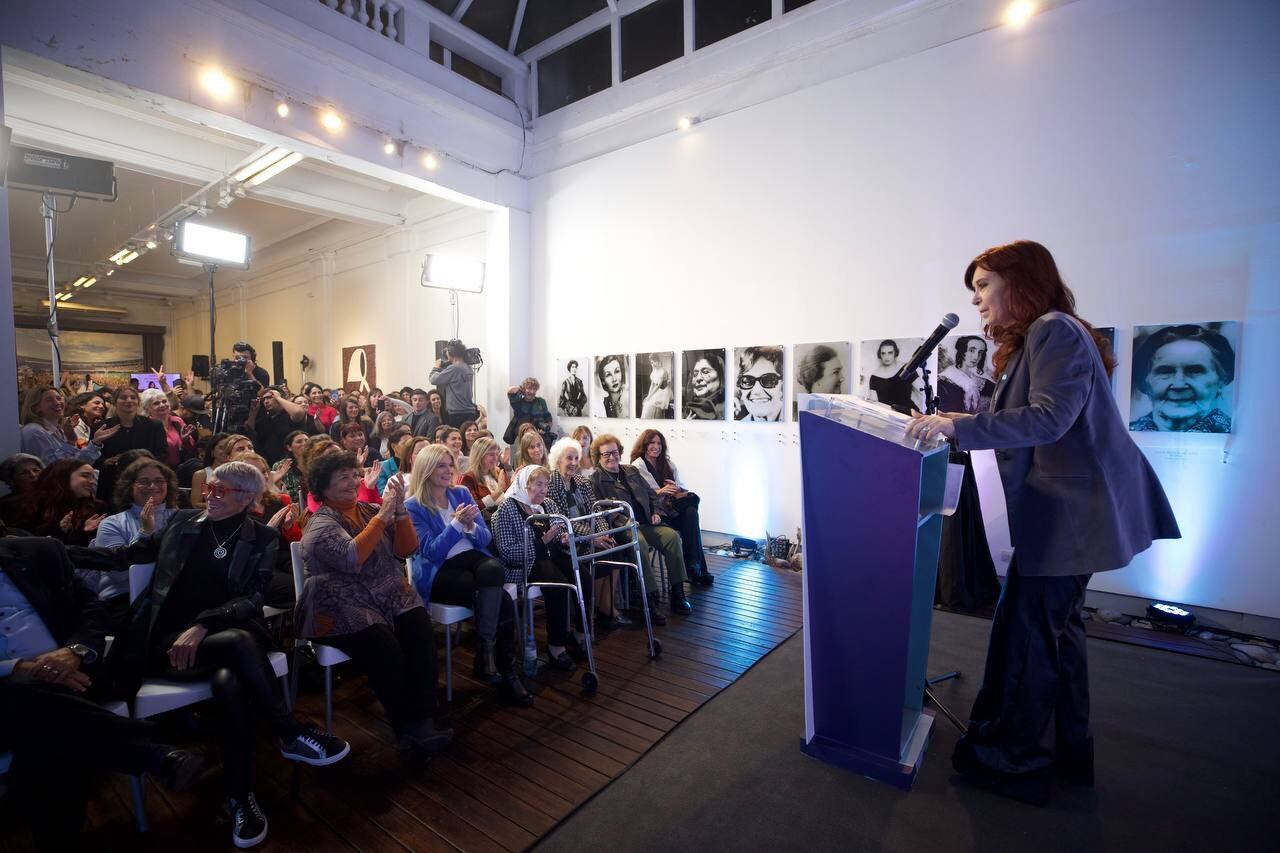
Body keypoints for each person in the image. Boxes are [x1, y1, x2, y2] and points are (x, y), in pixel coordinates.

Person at [906, 240, 1180, 806]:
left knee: (1029, 640)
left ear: (1020, 281)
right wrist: (966, 424)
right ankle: (1064, 755)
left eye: (984, 286)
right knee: (1057, 638)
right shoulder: (1051, 334)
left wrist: (957, 426)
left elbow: (1051, 419)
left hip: (1069, 519)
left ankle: (1015, 764)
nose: (977, 301)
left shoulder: (1053, 329)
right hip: (1070, 518)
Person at [88, 460, 350, 847]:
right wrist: (49, 552)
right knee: (239, 644)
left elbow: (255, 597)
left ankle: (240, 796)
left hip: (216, 642)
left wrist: (204, 624)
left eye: (220, 491)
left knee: (230, 678)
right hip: (166, 646)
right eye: (209, 487)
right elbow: (123, 556)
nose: (209, 495)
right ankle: (289, 732)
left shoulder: (261, 538)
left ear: (245, 498)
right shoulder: (181, 525)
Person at [0, 533, 204, 850]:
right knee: (25, 703)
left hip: (75, 674)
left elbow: (92, 609)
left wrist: (75, 652)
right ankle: (150, 753)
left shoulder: (37, 552)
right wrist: (19, 669)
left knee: (41, 733)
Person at [297, 450, 454, 761]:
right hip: (336, 606)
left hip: (382, 596)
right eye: (342, 477)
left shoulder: (369, 511)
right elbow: (352, 558)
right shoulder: (320, 525)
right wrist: (384, 515)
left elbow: (407, 548)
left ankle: (424, 719)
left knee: (419, 627)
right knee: (384, 646)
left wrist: (399, 513)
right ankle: (407, 729)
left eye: (354, 475)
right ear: (322, 487)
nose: (353, 481)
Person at [405, 445, 531, 706]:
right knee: (503, 600)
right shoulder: (414, 506)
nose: (448, 470)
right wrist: (455, 524)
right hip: (440, 573)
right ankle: (500, 669)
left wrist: (472, 525)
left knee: (494, 571)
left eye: (450, 464)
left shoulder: (460, 493)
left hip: (474, 565)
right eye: (441, 465)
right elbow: (431, 552)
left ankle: (492, 659)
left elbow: (485, 538)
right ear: (425, 469)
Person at [589, 434, 691, 623]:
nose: (612, 457)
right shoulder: (595, 480)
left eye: (615, 452)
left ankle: (678, 592)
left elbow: (652, 495)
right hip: (624, 529)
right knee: (640, 544)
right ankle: (649, 599)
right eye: (606, 454)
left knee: (672, 537)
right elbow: (601, 510)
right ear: (598, 457)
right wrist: (623, 522)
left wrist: (657, 512)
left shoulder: (630, 471)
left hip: (646, 523)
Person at [493, 466, 583, 672]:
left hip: (551, 556)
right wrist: (544, 540)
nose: (544, 490)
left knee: (582, 576)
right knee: (559, 586)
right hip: (527, 563)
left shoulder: (548, 504)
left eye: (547, 484)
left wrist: (562, 538)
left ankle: (579, 633)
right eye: (538, 484)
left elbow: (558, 536)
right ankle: (556, 646)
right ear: (525, 485)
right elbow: (508, 553)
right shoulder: (507, 509)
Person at [546, 437, 628, 629]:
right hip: (569, 540)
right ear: (558, 460)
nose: (574, 463)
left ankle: (604, 607)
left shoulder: (582, 482)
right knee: (603, 555)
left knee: (614, 548)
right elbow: (562, 520)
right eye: (569, 458)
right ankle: (598, 610)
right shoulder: (550, 484)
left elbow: (595, 512)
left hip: (590, 536)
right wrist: (593, 538)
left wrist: (603, 533)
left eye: (576, 458)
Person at [88, 457, 179, 628]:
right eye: (144, 481)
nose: (153, 486)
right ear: (130, 487)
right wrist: (145, 533)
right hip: (125, 598)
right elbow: (118, 574)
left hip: (172, 596)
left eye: (159, 481)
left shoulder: (181, 519)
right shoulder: (112, 523)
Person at [629, 429, 713, 586]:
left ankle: (694, 568)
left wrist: (676, 489)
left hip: (670, 509)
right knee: (692, 508)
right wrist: (661, 491)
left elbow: (683, 489)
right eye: (652, 443)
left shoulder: (668, 464)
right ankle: (696, 568)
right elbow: (639, 495)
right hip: (654, 512)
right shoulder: (637, 466)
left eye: (659, 443)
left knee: (690, 512)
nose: (656, 446)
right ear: (644, 445)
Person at [1129, 324, 1235, 432]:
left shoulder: (1241, 435)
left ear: (1223, 379)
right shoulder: (1124, 435)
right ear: (1143, 382)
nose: (1179, 385)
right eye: (1165, 371)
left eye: (1195, 371)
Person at [20, 459, 108, 547]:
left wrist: (83, 532)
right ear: (63, 477)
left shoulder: (97, 507)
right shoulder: (32, 505)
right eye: (85, 476)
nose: (92, 482)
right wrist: (59, 531)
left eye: (93, 477)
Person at [19, 385, 114, 465]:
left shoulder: (58, 429)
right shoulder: (34, 431)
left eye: (59, 398)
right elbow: (54, 467)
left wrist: (95, 442)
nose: (57, 403)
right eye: (49, 400)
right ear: (36, 407)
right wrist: (71, 440)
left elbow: (78, 461)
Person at [248, 386, 314, 465]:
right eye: (264, 399)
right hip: (271, 464)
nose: (266, 401)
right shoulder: (264, 420)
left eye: (270, 397)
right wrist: (253, 411)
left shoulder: (289, 415)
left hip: (293, 463)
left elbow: (298, 412)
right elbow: (250, 428)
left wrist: (278, 397)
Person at [937, 335, 997, 415]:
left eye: (980, 353)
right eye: (972, 350)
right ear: (962, 351)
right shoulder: (943, 382)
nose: (976, 357)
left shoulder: (983, 383)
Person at [192, 434, 253, 509]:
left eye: (228, 448)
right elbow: (195, 504)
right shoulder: (201, 474)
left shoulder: (239, 473)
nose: (225, 451)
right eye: (221, 448)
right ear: (212, 451)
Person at [458, 436, 511, 522]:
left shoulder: (497, 473)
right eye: (491, 454)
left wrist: (507, 468)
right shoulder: (468, 478)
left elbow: (510, 496)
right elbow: (473, 508)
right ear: (480, 455)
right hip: (485, 523)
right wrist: (497, 492)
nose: (495, 458)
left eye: (496, 454)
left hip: (503, 521)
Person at [140, 387, 196, 467]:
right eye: (156, 403)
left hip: (181, 467)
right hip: (158, 468)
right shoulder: (146, 425)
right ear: (147, 408)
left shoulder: (177, 421)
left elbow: (191, 449)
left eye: (164, 401)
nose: (162, 405)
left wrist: (185, 440)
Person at [865, 339, 925, 412]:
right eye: (883, 353)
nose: (886, 356)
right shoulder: (874, 376)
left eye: (890, 353)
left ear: (895, 353)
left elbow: (923, 391)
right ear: (880, 355)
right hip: (888, 417)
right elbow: (874, 402)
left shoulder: (907, 368)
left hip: (909, 414)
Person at [429, 341, 479, 428]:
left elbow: (433, 380)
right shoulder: (467, 367)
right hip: (469, 412)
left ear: (450, 353)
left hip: (457, 414)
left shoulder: (454, 368)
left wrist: (436, 367)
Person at [734, 346, 785, 421]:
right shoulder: (738, 425)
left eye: (768, 380)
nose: (757, 391)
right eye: (747, 381)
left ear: (783, 385)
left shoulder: (798, 418)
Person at [505, 377, 556, 447]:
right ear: (523, 389)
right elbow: (510, 391)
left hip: (540, 438)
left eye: (534, 389)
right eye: (529, 388)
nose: (532, 392)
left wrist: (545, 429)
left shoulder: (541, 401)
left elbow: (548, 418)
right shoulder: (518, 403)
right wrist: (520, 388)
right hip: (525, 440)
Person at [0, 453, 43, 529]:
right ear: (12, 480)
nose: (33, 475)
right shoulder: (6, 505)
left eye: (36, 470)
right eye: (24, 473)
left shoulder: (53, 496)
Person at [683, 351, 726, 420]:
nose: (698, 378)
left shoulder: (729, 408)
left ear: (719, 375)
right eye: (695, 374)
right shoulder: (687, 410)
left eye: (705, 372)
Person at [277, 429, 310, 506]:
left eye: (307, 440)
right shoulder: (281, 465)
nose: (304, 444)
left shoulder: (317, 463)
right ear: (289, 447)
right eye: (299, 442)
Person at [638, 354, 675, 419]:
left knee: (652, 403)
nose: (653, 364)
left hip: (663, 391)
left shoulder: (663, 371)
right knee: (647, 403)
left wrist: (649, 397)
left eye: (654, 361)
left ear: (658, 361)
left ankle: (655, 419)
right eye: (652, 362)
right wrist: (648, 396)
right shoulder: (654, 371)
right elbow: (652, 385)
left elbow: (658, 386)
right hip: (656, 390)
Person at [594, 354, 629, 418]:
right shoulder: (604, 401)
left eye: (617, 371)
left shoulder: (627, 396)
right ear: (603, 381)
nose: (614, 379)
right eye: (608, 375)